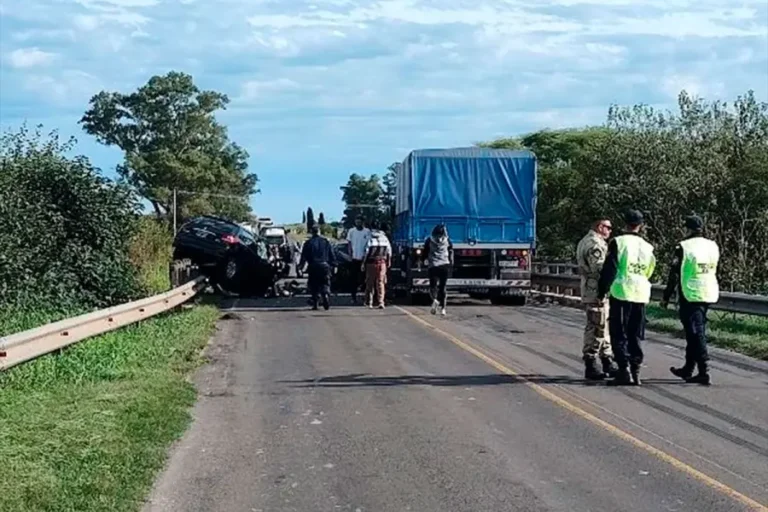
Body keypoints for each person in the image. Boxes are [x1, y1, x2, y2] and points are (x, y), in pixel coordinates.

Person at [597, 210, 656, 386]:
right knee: (635, 334)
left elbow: (610, 269)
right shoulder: (648, 246)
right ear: (641, 225)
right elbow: (650, 270)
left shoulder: (618, 242)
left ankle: (623, 370)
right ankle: (636, 370)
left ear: (625, 224)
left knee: (619, 333)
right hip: (641, 293)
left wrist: (602, 291)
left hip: (622, 292)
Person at [661, 215, 720, 386]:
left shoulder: (683, 247)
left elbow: (674, 274)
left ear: (687, 229)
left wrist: (666, 296)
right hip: (708, 291)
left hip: (690, 293)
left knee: (696, 332)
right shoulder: (712, 245)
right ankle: (688, 367)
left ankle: (704, 370)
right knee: (692, 332)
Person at [576, 219, 619, 380]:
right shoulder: (595, 244)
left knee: (603, 325)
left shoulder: (586, 241)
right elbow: (599, 268)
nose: (610, 231)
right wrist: (605, 288)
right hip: (596, 291)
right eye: (608, 227)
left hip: (593, 290)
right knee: (597, 326)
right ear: (600, 227)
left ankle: (607, 359)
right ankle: (591, 361)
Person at [299, 224, 337, 310]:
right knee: (325, 282)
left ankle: (315, 303)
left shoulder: (308, 243)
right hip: (325, 266)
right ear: (319, 232)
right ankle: (326, 295)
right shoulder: (326, 242)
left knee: (314, 285)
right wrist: (334, 265)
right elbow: (331, 254)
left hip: (313, 266)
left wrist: (300, 267)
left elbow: (304, 257)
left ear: (312, 232)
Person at [422, 224, 453, 316]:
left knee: (433, 286)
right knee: (443, 287)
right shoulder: (447, 241)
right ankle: (443, 309)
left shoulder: (429, 240)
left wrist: (424, 260)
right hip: (445, 265)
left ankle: (435, 300)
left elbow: (425, 252)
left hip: (433, 265)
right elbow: (451, 250)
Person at [362, 220, 392, 309]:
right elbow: (389, 252)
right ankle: (381, 302)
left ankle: (369, 302)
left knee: (370, 283)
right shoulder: (385, 238)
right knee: (381, 283)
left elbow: (366, 252)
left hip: (371, 263)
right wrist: (388, 262)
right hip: (382, 263)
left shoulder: (370, 238)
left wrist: (363, 263)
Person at [346, 216, 371, 304]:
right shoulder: (351, 231)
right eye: (357, 222)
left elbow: (369, 244)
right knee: (353, 279)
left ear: (362, 222)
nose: (358, 224)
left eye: (360, 222)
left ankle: (365, 297)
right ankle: (353, 297)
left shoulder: (367, 231)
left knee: (364, 279)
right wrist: (350, 255)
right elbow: (349, 243)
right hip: (354, 258)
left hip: (364, 259)